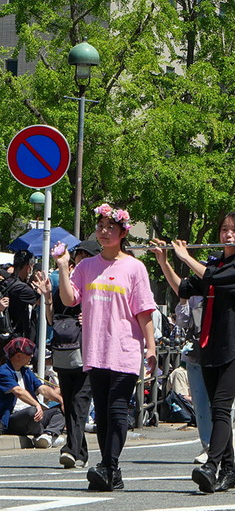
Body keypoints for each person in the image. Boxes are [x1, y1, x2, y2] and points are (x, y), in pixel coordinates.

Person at [55, 203, 158, 492]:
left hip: (124, 348)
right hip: (95, 349)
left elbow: (144, 311)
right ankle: (110, 469)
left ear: (123, 231)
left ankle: (109, 465)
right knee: (100, 411)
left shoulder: (135, 267)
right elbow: (68, 298)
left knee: (115, 410)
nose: (103, 231)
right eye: (100, 226)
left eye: (110, 227)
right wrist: (64, 267)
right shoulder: (87, 266)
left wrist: (150, 347)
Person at [152, 211, 235, 494]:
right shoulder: (214, 263)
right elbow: (183, 288)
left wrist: (185, 257)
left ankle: (212, 464)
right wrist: (164, 261)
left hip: (234, 347)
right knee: (214, 409)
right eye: (224, 229)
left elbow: (212, 277)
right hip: (208, 347)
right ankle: (230, 471)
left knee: (221, 407)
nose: (228, 234)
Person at [39, 239, 98, 468]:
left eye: (86, 256)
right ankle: (79, 451)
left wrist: (93, 317)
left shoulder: (98, 284)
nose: (80, 260)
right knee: (71, 403)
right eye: (79, 255)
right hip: (65, 352)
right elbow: (53, 319)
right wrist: (47, 299)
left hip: (87, 354)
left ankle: (71, 450)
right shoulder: (66, 282)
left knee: (79, 401)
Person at [0, 336, 65, 445]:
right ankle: (47, 435)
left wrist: (61, 401)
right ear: (18, 355)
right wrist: (37, 405)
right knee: (32, 411)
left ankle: (48, 435)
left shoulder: (26, 371)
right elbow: (18, 391)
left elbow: (42, 389)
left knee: (63, 409)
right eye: (29, 353)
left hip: (34, 415)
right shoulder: (3, 372)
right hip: (14, 417)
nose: (32, 356)